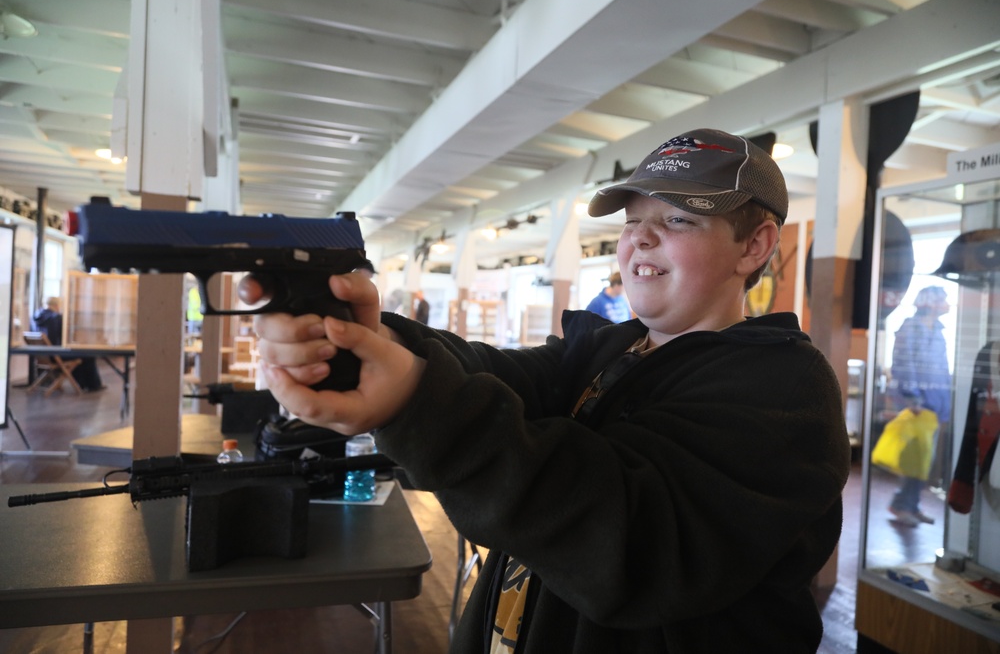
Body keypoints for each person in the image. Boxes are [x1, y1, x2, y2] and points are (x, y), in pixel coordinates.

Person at [246, 128, 851, 652]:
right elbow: (492, 372)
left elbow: (632, 543)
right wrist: (368, 337)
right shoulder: (608, 348)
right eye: (633, 221)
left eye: (677, 219)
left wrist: (419, 403)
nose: (640, 238)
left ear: (755, 246)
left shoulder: (786, 388)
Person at [887, 285, 952, 526]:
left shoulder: (939, 330)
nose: (947, 303)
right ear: (931, 302)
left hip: (934, 405)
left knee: (924, 459)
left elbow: (942, 371)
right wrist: (913, 399)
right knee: (914, 459)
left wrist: (945, 406)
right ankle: (902, 505)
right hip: (916, 405)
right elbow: (904, 365)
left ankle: (911, 506)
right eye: (944, 299)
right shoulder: (910, 328)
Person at [31, 297, 105, 392]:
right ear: (56, 306)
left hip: (41, 356)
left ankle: (82, 384)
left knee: (79, 355)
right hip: (55, 354)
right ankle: (92, 385)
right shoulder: (56, 317)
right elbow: (65, 339)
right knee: (87, 355)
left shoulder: (35, 317)